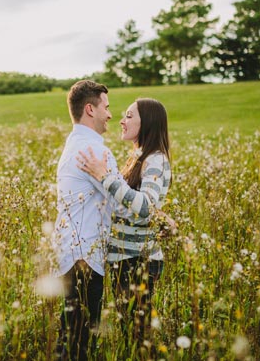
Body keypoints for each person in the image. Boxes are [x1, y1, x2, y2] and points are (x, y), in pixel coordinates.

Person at [77, 97, 172, 355]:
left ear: (147, 123)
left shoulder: (156, 160)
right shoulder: (140, 156)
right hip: (126, 259)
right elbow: (142, 207)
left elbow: (144, 206)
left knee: (140, 336)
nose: (121, 120)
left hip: (138, 261)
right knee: (133, 333)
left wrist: (103, 176)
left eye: (129, 116)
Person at [53, 80, 119, 361]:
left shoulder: (74, 144)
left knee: (70, 333)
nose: (111, 114)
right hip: (86, 257)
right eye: (107, 107)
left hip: (70, 252)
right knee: (79, 341)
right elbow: (121, 204)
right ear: (90, 109)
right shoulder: (96, 151)